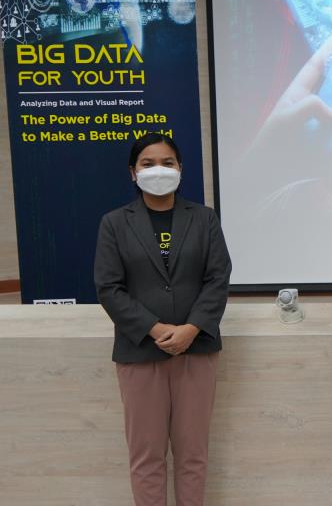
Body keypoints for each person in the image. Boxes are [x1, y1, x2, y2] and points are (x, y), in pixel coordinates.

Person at [94, 133, 232, 506]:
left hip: (196, 349)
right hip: (140, 352)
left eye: (167, 163)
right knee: (146, 457)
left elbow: (218, 279)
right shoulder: (114, 223)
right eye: (148, 163)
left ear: (180, 169)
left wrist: (191, 328)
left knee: (193, 455)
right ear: (133, 172)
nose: (158, 170)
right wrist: (155, 329)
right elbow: (108, 288)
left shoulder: (204, 219)